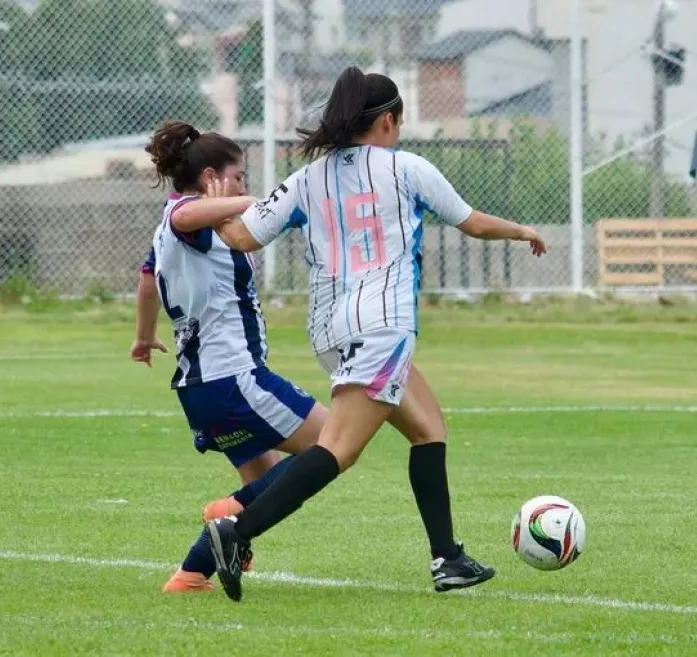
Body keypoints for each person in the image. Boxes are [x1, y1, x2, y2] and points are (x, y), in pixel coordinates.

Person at [197, 67, 547, 602]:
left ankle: (448, 559)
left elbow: (242, 235)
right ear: (387, 120)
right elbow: (471, 222)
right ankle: (236, 530)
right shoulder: (406, 168)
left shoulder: (308, 178)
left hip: (331, 331)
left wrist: (217, 204)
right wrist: (522, 230)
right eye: (398, 121)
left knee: (428, 427)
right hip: (383, 326)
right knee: (338, 450)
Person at [131, 120, 328, 592]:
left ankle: (191, 574)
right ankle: (227, 515)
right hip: (233, 378)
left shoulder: (183, 225)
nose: (246, 186)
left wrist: (143, 336)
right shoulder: (184, 217)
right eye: (239, 176)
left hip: (203, 388)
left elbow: (145, 279)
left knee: (268, 484)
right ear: (209, 180)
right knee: (334, 444)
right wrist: (250, 203)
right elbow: (186, 218)